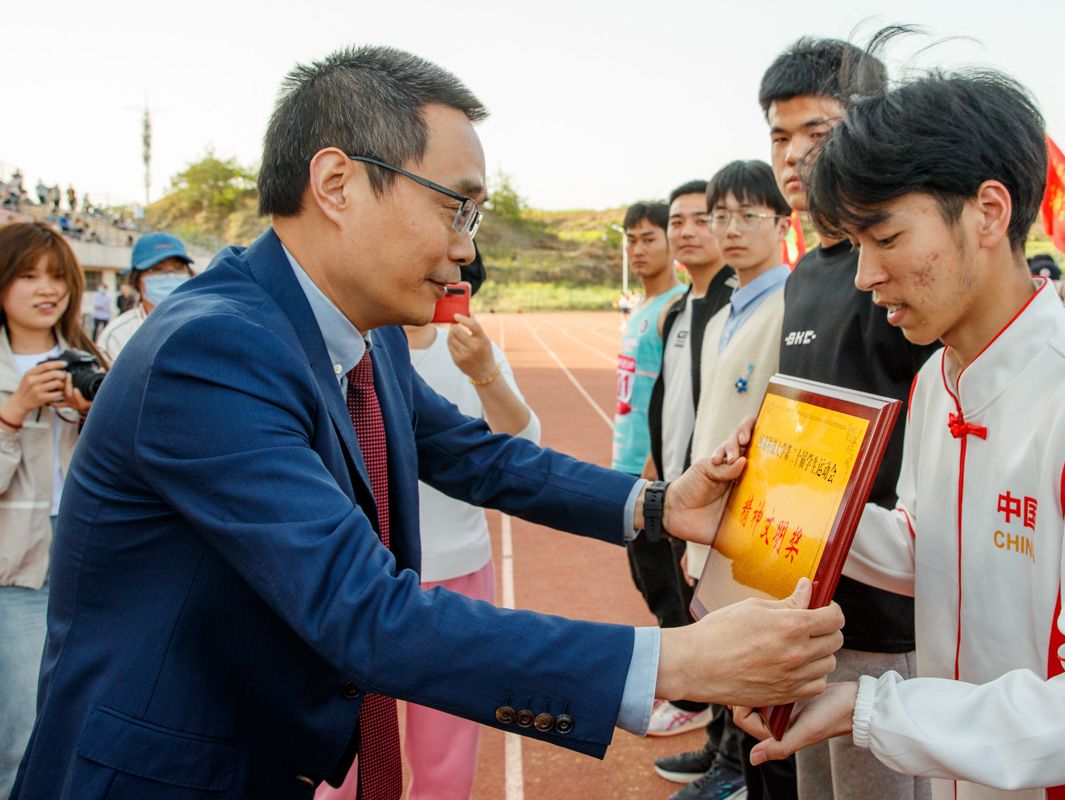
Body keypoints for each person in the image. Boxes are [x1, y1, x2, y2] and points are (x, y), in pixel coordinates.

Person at [12, 47, 846, 799]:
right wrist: (675, 660)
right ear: (336, 184)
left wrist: (659, 506)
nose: (465, 249)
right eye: (457, 208)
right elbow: (364, 612)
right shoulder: (211, 351)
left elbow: (477, 457)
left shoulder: (358, 330)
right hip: (162, 774)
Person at [734, 68, 1065, 800]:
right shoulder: (936, 381)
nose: (864, 275)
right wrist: (776, 495)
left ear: (988, 212)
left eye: (886, 237)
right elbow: (928, 546)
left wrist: (873, 709)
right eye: (855, 243)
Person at [759, 36, 934, 800]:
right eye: (779, 136)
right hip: (808, 605)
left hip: (885, 624)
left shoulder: (902, 270)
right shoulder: (806, 272)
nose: (794, 155)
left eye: (816, 132)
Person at [317, 266, 540, 800]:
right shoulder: (343, 348)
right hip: (359, 577)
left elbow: (522, 448)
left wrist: (486, 373)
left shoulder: (473, 353)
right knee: (340, 753)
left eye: (456, 276)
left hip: (456, 569)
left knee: (446, 750)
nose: (442, 277)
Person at [671, 160, 791, 800]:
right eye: (722, 216)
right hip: (711, 516)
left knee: (754, 661)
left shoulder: (791, 305)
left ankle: (740, 771)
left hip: (759, 526)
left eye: (749, 215)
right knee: (718, 642)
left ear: (782, 223)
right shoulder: (721, 317)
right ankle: (726, 757)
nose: (732, 229)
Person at [0, 222, 105, 798]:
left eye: (59, 276)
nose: (48, 289)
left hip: (89, 556)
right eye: (28, 275)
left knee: (85, 719)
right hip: (14, 570)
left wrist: (92, 410)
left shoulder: (89, 359)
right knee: (21, 731)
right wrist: (13, 413)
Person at [648, 180, 739, 777]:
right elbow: (669, 400)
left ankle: (732, 762)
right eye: (676, 221)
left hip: (720, 498)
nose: (685, 231)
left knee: (726, 626)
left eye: (699, 218)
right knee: (694, 616)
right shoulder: (678, 308)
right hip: (679, 492)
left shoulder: (737, 303)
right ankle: (718, 744)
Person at [613, 201, 690, 725]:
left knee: (668, 587)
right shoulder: (640, 307)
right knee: (648, 582)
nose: (638, 249)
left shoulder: (674, 307)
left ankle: (691, 699)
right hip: (625, 468)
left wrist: (653, 461)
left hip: (651, 475)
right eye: (631, 240)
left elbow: (673, 393)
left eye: (648, 238)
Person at [96, 231, 194, 361]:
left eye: (178, 268)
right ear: (137, 279)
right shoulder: (116, 336)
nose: (170, 276)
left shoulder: (207, 325)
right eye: (157, 269)